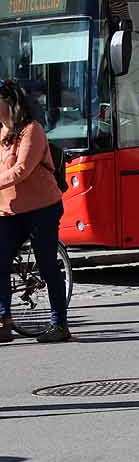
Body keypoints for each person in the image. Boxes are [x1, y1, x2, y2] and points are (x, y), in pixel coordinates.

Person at [0, 79, 70, 342]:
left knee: (47, 265)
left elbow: (21, 170)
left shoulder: (32, 130)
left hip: (42, 207)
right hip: (8, 210)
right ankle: (3, 321)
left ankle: (59, 324)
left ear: (8, 102)